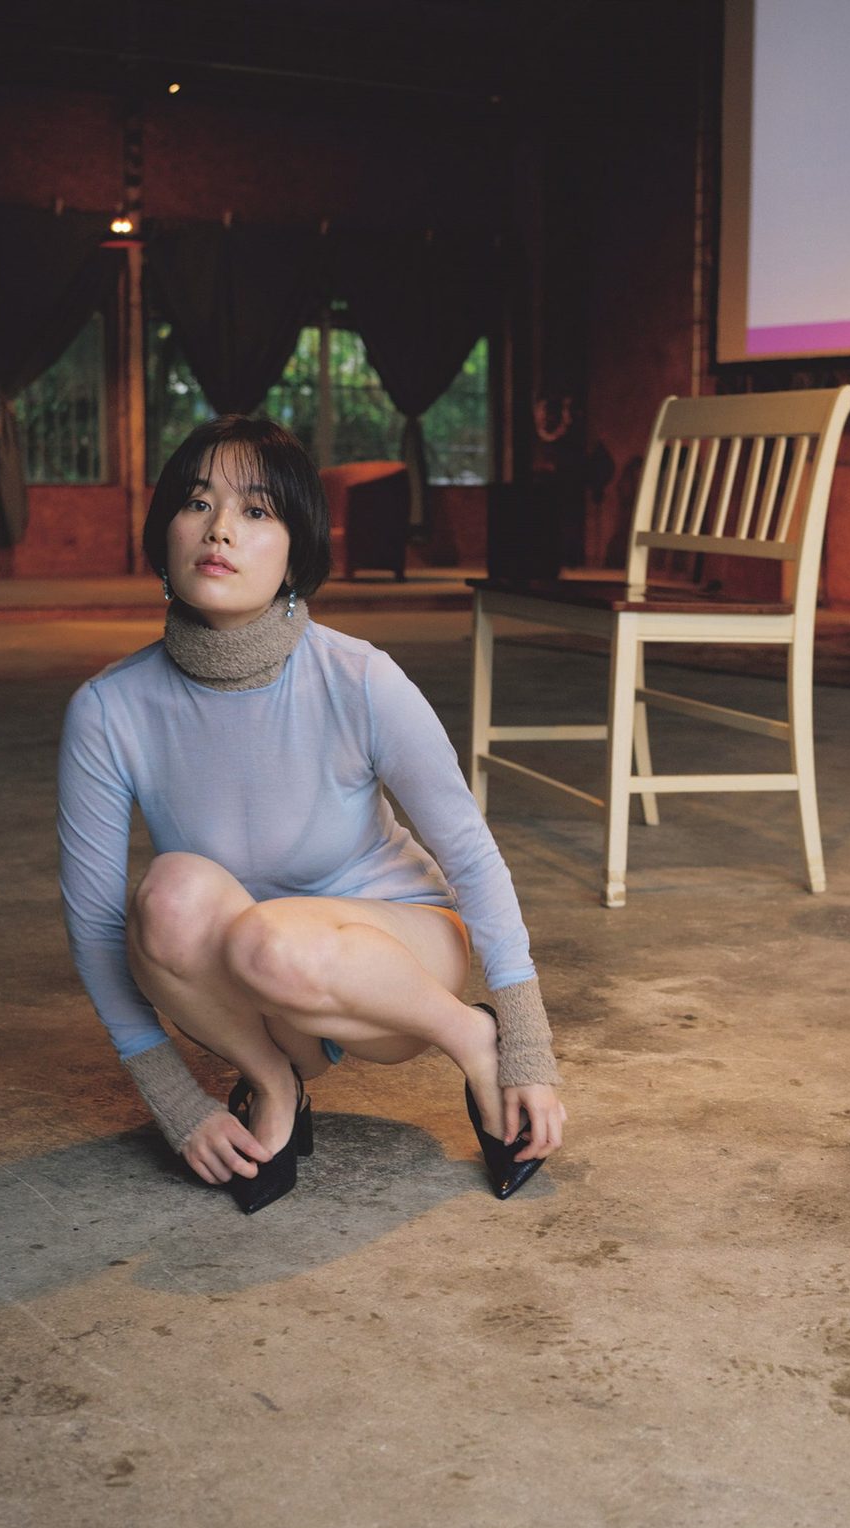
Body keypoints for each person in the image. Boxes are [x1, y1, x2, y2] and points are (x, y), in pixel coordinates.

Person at [57, 415, 565, 1210]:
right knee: (168, 896)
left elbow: (470, 855)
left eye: (257, 510)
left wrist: (524, 1039)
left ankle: (472, 1037)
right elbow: (95, 927)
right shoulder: (108, 708)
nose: (220, 529)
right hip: (257, 981)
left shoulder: (360, 678)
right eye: (198, 503)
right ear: (165, 534)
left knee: (272, 941)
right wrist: (176, 1099)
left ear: (298, 551)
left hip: (399, 953)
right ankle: (273, 1082)